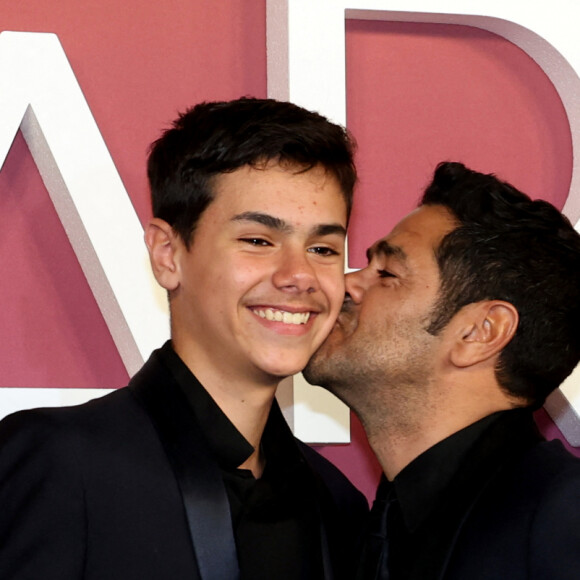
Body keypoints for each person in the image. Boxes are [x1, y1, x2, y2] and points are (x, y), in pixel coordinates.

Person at [0, 97, 368, 580]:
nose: (299, 276)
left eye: (322, 249)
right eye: (258, 240)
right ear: (168, 255)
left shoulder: (337, 504)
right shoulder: (61, 462)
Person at [304, 161, 580, 580]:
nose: (345, 285)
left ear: (479, 332)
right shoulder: (361, 527)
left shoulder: (562, 518)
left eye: (387, 273)